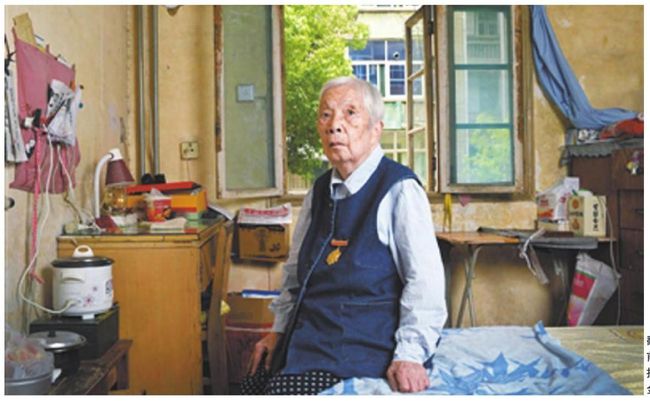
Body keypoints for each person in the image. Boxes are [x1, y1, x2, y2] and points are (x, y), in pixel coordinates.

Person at [241, 76, 447, 395]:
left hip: (364, 349)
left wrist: (410, 355)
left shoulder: (399, 189)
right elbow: (296, 274)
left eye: (350, 113)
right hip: (310, 342)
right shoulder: (320, 190)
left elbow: (425, 282)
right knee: (251, 381)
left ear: (376, 129)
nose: (334, 125)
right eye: (326, 115)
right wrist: (278, 332)